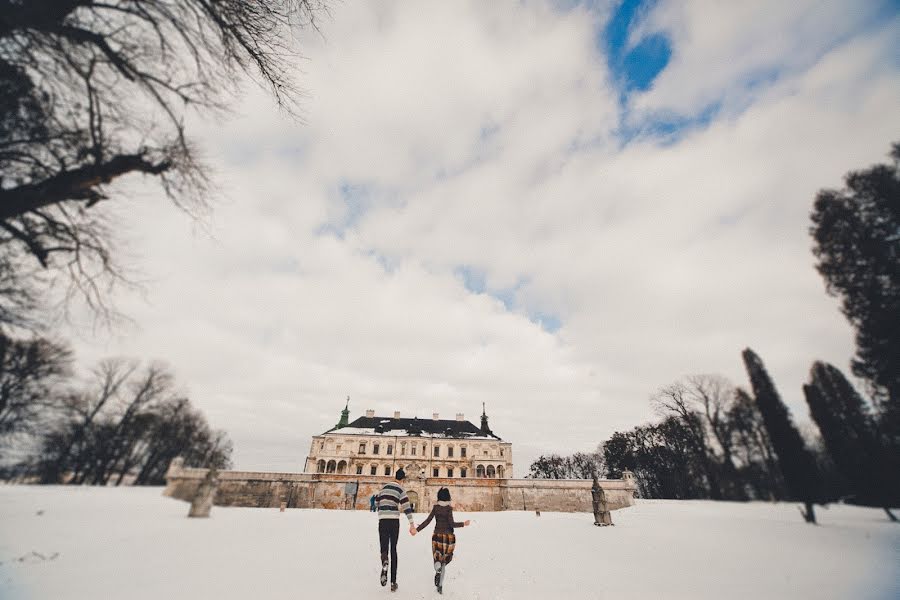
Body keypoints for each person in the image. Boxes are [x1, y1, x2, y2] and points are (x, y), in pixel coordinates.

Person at [416, 487, 471, 594]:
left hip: (437, 536)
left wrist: (417, 529)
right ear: (448, 497)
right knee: (444, 562)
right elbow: (452, 524)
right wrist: (464, 524)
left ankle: (437, 569)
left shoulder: (436, 507)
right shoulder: (449, 509)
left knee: (437, 558)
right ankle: (440, 586)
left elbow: (428, 520)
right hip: (448, 538)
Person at [375, 468, 416, 592]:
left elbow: (377, 502)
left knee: (384, 548)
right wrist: (412, 524)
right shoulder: (401, 489)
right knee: (393, 549)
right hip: (394, 521)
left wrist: (383, 509)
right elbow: (406, 507)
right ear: (402, 479)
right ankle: (393, 582)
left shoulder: (384, 488)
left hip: (383, 520)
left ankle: (384, 561)